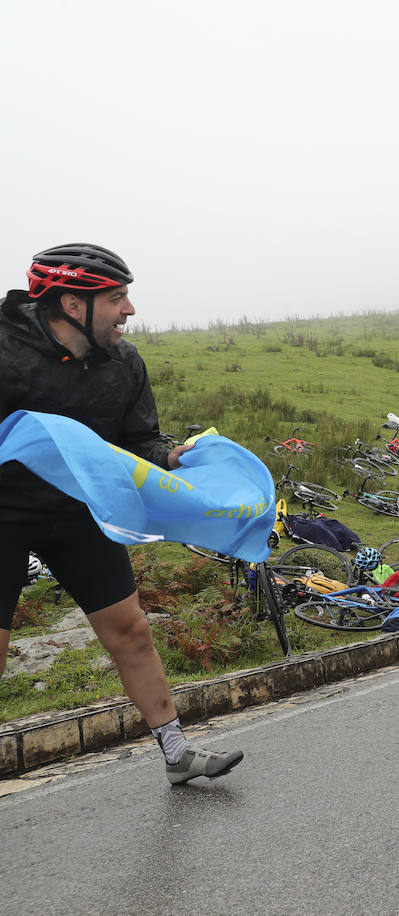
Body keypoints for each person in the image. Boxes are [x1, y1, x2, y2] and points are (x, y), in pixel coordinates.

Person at [0, 244, 242, 785]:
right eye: (116, 298)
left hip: (80, 510)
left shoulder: (124, 361)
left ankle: (177, 753)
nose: (129, 310)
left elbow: (140, 441)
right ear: (71, 304)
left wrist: (172, 456)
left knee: (131, 631)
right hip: (3, 513)